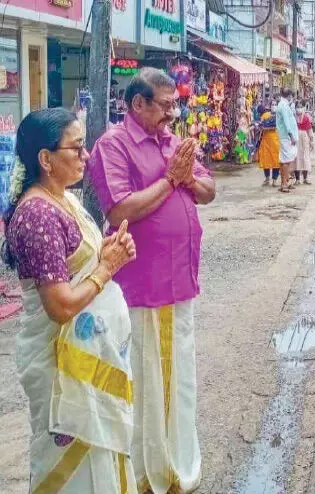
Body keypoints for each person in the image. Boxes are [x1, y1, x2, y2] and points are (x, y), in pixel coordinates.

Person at [87, 67, 216, 494]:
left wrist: (188, 178)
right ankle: (148, 474)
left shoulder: (173, 142)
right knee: (145, 383)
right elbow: (119, 210)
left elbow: (209, 189)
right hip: (143, 289)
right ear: (137, 104)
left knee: (179, 380)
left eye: (174, 104)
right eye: (164, 105)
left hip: (180, 283)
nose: (172, 113)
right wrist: (170, 181)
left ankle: (177, 463)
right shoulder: (114, 145)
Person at [5, 108, 138, 492]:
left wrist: (107, 253)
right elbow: (60, 306)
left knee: (98, 460)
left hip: (88, 358)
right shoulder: (38, 214)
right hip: (59, 362)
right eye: (76, 148)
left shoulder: (63, 199)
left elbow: (76, 265)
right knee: (71, 470)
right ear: (45, 159)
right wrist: (106, 268)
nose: (86, 155)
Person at [277, 87, 299, 193]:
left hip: (285, 136)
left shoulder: (283, 104)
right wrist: (291, 136)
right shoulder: (284, 106)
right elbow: (286, 122)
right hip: (287, 137)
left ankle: (284, 182)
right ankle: (284, 184)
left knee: (284, 160)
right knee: (286, 160)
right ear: (289, 96)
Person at [257, 104, 280, 187]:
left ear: (259, 113)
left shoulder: (263, 117)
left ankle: (267, 179)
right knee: (275, 160)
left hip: (266, 140)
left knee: (266, 160)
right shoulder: (273, 115)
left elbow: (261, 129)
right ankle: (274, 180)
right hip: (275, 140)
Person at [294, 100, 315, 185]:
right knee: (296, 158)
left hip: (305, 139)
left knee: (305, 157)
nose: (299, 108)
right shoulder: (293, 118)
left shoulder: (306, 118)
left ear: (303, 108)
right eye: (297, 107)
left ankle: (305, 178)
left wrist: (312, 141)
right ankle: (297, 179)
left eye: (300, 107)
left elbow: (309, 130)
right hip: (295, 139)